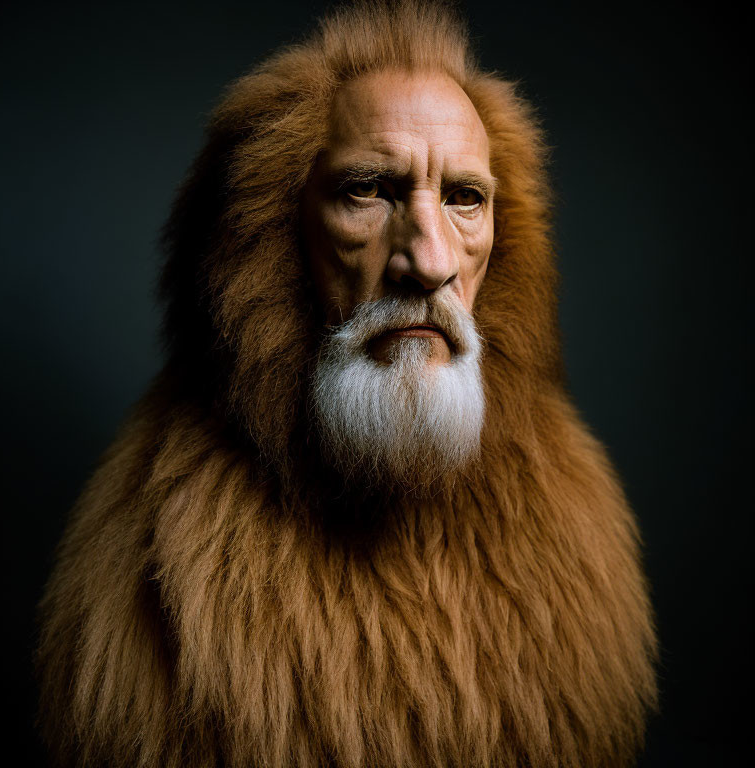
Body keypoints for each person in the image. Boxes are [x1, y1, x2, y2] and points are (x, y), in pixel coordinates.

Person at [37, 2, 657, 766]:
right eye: (369, 189)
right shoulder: (145, 560)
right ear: (272, 234)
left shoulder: (578, 548)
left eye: (465, 198)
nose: (428, 261)